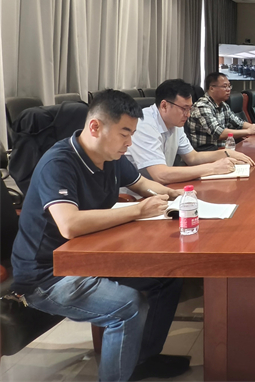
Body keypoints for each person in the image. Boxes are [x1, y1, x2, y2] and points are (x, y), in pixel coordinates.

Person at [10, 90, 190, 381]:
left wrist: (175, 195)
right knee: (128, 307)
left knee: (166, 279)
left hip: (89, 258)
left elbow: (142, 184)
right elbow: (69, 224)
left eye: (132, 134)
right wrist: (137, 210)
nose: (129, 142)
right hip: (48, 274)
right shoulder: (60, 162)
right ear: (95, 127)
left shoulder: (111, 155)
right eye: (124, 133)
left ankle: (141, 359)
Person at [125, 78, 254, 186]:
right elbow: (160, 175)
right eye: (184, 109)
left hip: (162, 189)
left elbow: (193, 157)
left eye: (190, 108)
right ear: (164, 106)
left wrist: (226, 153)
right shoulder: (144, 124)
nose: (188, 114)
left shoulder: (175, 123)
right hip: (136, 197)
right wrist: (213, 168)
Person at [185, 72, 255, 151]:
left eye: (229, 86)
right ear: (212, 88)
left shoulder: (223, 105)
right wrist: (248, 131)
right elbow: (219, 133)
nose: (228, 89)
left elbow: (238, 122)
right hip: (206, 152)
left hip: (222, 149)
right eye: (224, 86)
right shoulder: (202, 106)